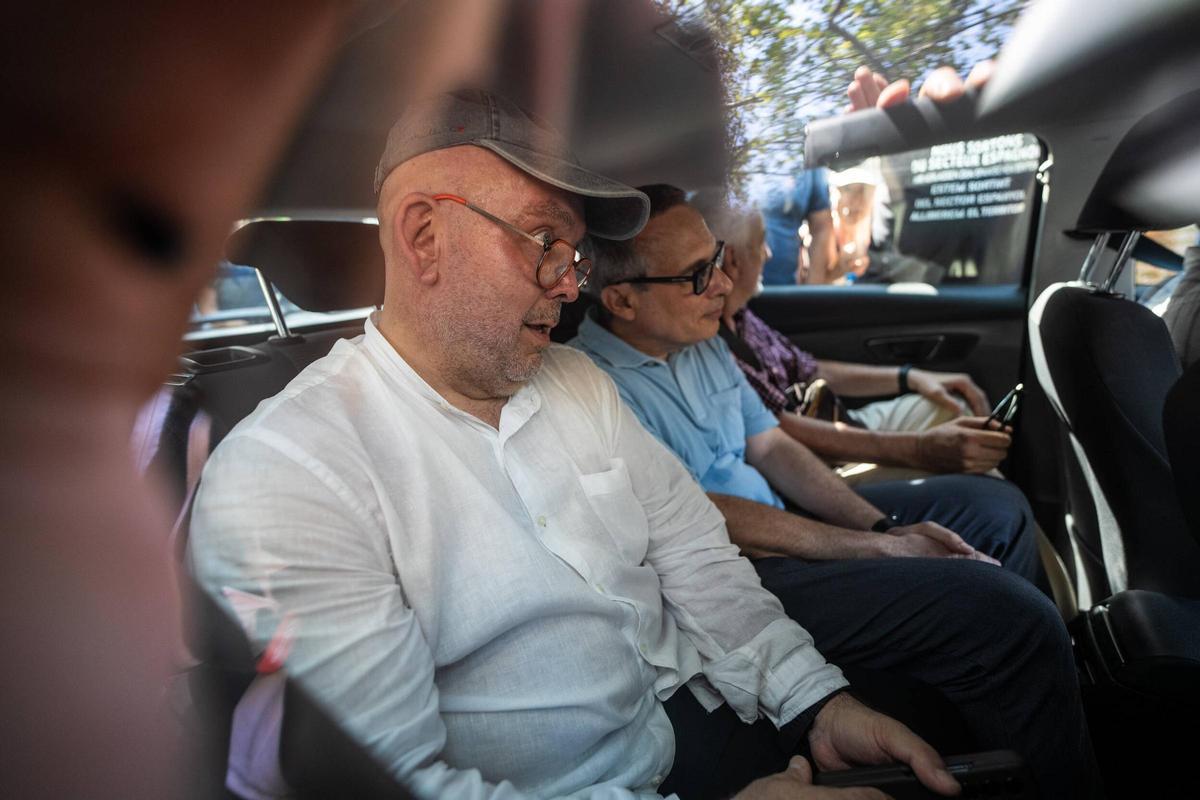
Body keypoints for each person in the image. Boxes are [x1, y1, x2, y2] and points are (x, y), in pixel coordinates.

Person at [189, 89, 963, 800]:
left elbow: (696, 559)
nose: (570, 284)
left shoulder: (578, 384)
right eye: (543, 239)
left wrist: (814, 703)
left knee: (950, 712)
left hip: (684, 720)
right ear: (424, 237)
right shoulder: (291, 472)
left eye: (577, 254)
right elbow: (405, 786)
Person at [570, 183, 1099, 799]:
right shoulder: (595, 388)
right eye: (697, 275)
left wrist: (880, 529)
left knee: (997, 510)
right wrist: (874, 550)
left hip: (784, 531)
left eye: (716, 258)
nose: (722, 282)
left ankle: (993, 692)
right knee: (1008, 615)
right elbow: (696, 518)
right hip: (736, 578)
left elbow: (772, 446)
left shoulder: (702, 343)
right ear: (621, 300)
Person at [689, 190, 1014, 484]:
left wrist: (910, 377)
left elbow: (810, 370)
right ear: (732, 259)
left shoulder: (743, 317)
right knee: (978, 475)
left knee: (952, 408)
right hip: (815, 467)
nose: (770, 254)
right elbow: (778, 433)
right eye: (762, 243)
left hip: (835, 421)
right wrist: (919, 450)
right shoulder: (708, 343)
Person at [759, 168, 837, 285]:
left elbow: (822, 227)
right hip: (732, 292)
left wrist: (811, 292)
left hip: (782, 290)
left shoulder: (810, 160)